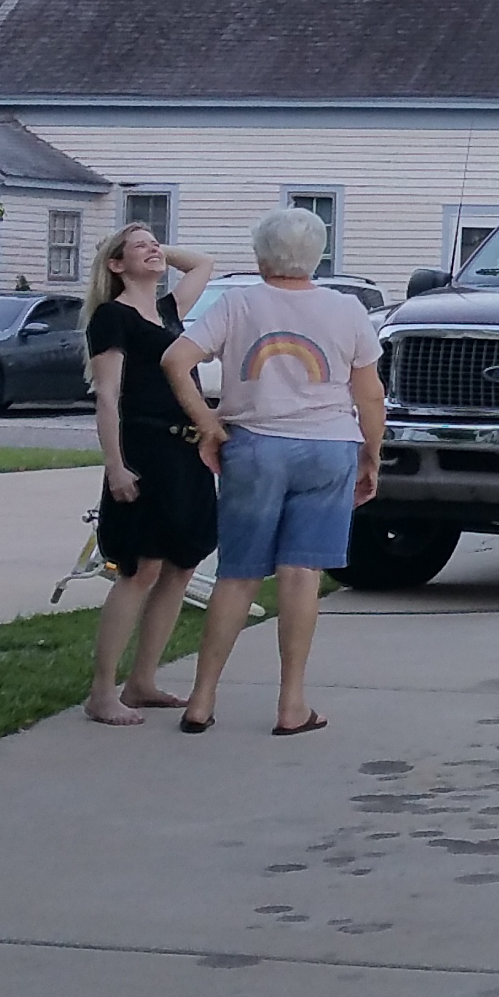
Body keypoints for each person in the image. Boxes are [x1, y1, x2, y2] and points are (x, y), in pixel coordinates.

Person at [162, 207, 386, 737]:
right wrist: (371, 453)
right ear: (318, 255)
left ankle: (201, 700)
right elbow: (369, 394)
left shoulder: (238, 303)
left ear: (261, 254)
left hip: (255, 446)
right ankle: (291, 705)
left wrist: (208, 425)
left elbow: (175, 360)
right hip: (329, 446)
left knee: (238, 575)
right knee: (302, 574)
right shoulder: (347, 309)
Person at [80, 224, 220, 724]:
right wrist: (115, 465)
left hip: (186, 451)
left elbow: (202, 264)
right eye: (140, 247)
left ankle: (142, 682)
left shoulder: (168, 311)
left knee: (181, 566)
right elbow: (107, 396)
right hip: (144, 449)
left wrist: (155, 248)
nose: (154, 249)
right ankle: (102, 692)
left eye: (155, 243)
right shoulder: (111, 317)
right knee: (140, 569)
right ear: (116, 264)